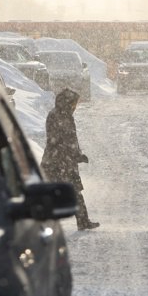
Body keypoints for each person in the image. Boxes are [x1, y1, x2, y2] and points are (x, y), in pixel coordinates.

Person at [42, 88, 99, 230]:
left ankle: (81, 221)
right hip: (61, 162)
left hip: (55, 160)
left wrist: (76, 154)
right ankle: (82, 221)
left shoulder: (57, 114)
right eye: (74, 103)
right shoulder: (62, 117)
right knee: (72, 192)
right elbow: (66, 140)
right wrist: (76, 155)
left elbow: (66, 140)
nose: (75, 107)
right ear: (68, 103)